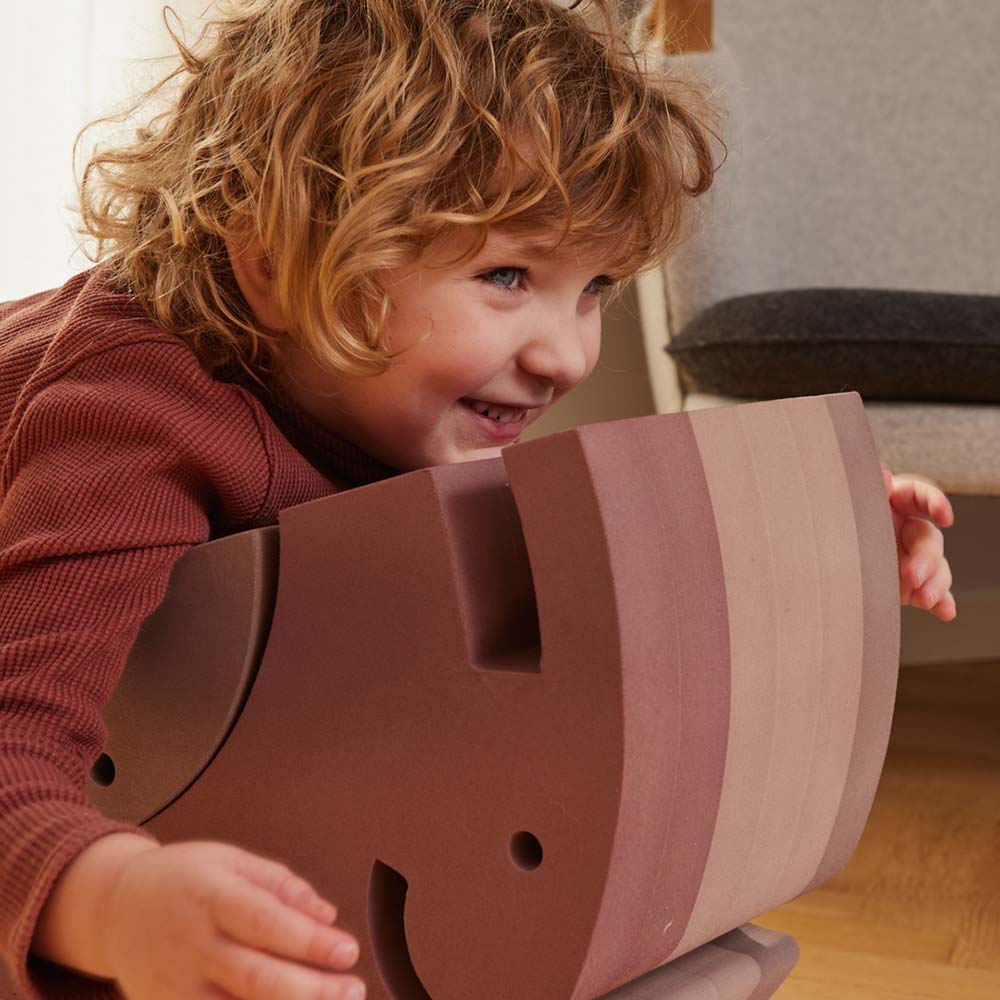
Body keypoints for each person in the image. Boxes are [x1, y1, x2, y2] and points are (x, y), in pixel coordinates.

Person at [0, 1, 955, 999]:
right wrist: (113, 903)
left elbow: (577, 563)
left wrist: (813, 542)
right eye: (507, 274)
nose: (568, 355)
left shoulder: (387, 401)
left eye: (594, 287)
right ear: (275, 262)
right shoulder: (126, 419)